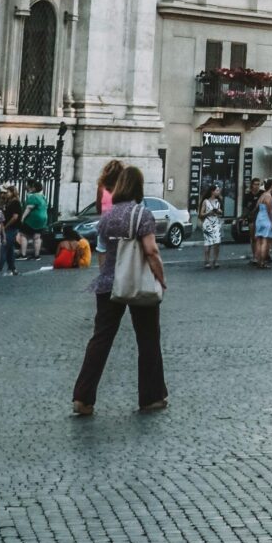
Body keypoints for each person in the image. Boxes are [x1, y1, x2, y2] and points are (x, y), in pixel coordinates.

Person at [71, 164, 167, 416]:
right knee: (148, 338)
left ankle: (82, 397)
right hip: (137, 281)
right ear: (139, 187)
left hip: (108, 283)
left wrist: (107, 275)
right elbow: (151, 251)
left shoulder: (107, 216)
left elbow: (102, 252)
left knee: (100, 339)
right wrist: (160, 277)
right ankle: (151, 396)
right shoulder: (142, 214)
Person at [19, 184, 50, 260]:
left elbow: (29, 208)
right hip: (43, 219)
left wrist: (22, 218)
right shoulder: (43, 197)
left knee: (24, 235)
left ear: (35, 188)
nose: (31, 188)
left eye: (32, 187)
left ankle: (23, 255)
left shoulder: (33, 196)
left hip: (33, 219)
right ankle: (37, 255)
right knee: (37, 237)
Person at [200, 187, 224, 271]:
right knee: (208, 242)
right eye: (217, 190)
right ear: (212, 191)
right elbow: (201, 214)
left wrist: (219, 211)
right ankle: (207, 261)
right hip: (208, 223)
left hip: (216, 222)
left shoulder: (218, 201)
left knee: (217, 242)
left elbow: (221, 211)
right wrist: (208, 213)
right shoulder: (205, 201)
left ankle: (216, 260)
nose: (218, 192)